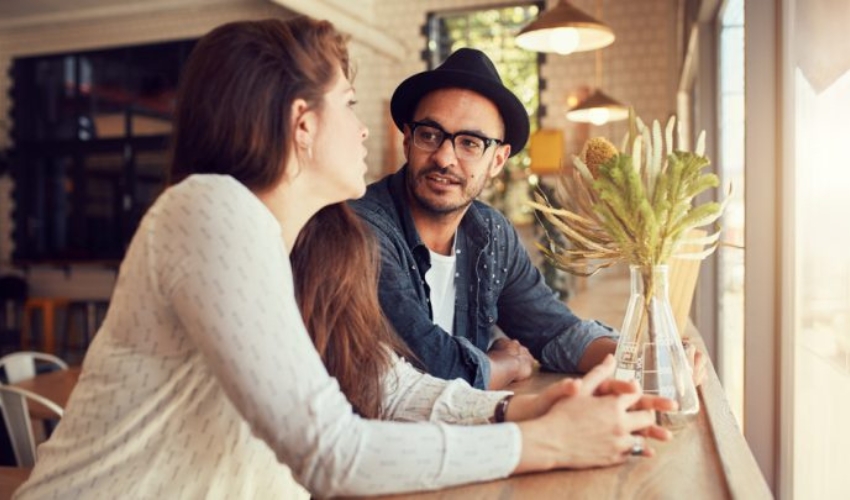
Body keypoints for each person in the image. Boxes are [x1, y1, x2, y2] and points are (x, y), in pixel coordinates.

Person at [14, 18, 674, 499]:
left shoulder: (310, 240)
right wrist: (548, 443)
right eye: (350, 105)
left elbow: (387, 386)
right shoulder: (211, 211)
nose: (365, 130)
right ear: (303, 124)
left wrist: (527, 408)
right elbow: (332, 451)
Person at [350, 48, 623, 390]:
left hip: (474, 431)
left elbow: (555, 330)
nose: (444, 157)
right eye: (430, 135)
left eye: (470, 142)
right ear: (408, 139)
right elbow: (421, 368)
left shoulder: (491, 233)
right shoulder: (359, 230)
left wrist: (640, 359)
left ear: (497, 160)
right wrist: (504, 365)